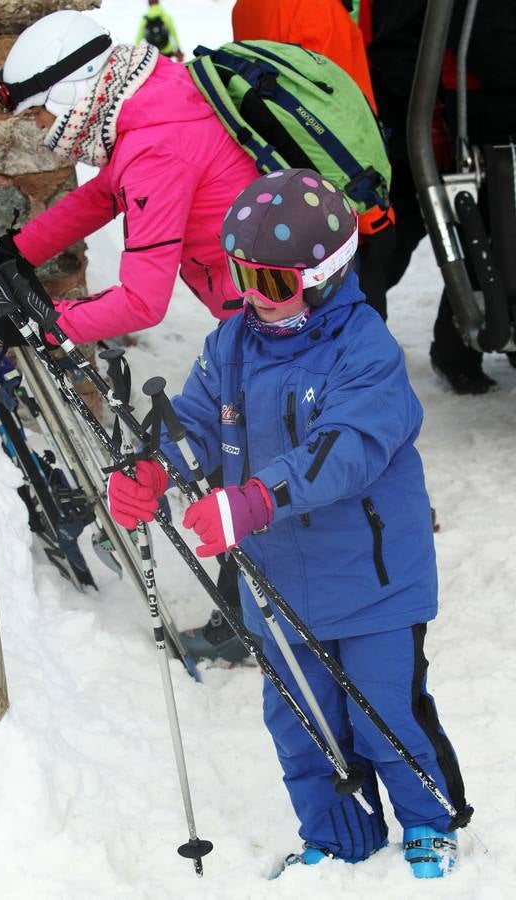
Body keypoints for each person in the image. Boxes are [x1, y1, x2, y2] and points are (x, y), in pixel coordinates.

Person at [107, 168, 473, 877]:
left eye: (272, 283)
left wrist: (254, 499)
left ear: (327, 275)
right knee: (300, 723)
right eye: (242, 275)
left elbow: (345, 449)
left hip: (373, 582)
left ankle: (430, 819)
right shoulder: (231, 345)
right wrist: (158, 467)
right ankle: (338, 835)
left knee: (383, 712)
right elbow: (197, 423)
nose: (252, 296)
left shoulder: (365, 352)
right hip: (277, 582)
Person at [0, 8, 260, 664]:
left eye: (41, 115)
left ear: (73, 90)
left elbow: (144, 300)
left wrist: (40, 326)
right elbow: (103, 197)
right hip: (258, 306)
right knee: (253, 446)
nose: (44, 131)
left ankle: (250, 614)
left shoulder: (154, 139)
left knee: (252, 450)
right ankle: (258, 597)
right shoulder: (150, 98)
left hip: (273, 320)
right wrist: (9, 256)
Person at [362, 0, 516, 394]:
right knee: (415, 231)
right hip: (445, 105)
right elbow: (395, 39)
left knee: (492, 229)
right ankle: (455, 348)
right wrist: (432, 107)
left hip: (471, 97)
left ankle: (479, 336)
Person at [231, 0, 396, 321]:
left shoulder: (249, 6)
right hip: (341, 196)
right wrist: (374, 213)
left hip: (287, 182)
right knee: (346, 321)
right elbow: (330, 121)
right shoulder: (313, 9)